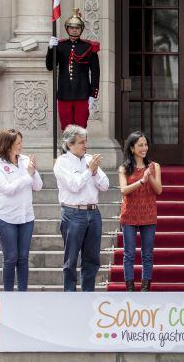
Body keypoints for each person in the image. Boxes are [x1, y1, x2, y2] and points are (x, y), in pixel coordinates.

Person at [54, 125, 109, 292]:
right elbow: (74, 185)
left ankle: (87, 295)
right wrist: (88, 171)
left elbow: (105, 185)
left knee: (92, 259)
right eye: (81, 142)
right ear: (69, 145)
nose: (85, 146)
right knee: (71, 259)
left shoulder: (89, 159)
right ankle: (70, 295)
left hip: (93, 212)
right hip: (73, 213)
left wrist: (94, 172)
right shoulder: (62, 163)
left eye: (86, 142)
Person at [0, 129, 43, 291]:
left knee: (23, 258)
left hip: (26, 217)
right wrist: (28, 175)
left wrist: (33, 173)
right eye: (17, 144)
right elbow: (8, 189)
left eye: (21, 143)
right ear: (7, 145)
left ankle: (22, 294)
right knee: (10, 258)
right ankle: (8, 295)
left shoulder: (25, 160)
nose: (21, 146)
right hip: (5, 218)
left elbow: (38, 186)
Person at [118, 131, 162, 292]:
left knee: (147, 254)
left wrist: (148, 177)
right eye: (140, 145)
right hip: (129, 213)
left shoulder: (154, 166)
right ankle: (129, 287)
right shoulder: (124, 168)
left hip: (148, 214)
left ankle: (145, 288)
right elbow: (124, 190)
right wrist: (141, 181)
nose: (144, 148)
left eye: (146, 144)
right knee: (129, 253)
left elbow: (159, 190)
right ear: (132, 148)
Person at [46, 8, 100, 130]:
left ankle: (80, 150)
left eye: (77, 28)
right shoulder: (60, 46)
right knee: (67, 129)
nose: (74, 30)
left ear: (81, 29)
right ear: (67, 29)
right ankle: (67, 150)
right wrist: (50, 49)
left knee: (81, 129)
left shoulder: (89, 47)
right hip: (64, 95)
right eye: (71, 27)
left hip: (83, 94)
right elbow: (50, 67)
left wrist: (93, 94)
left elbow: (95, 73)